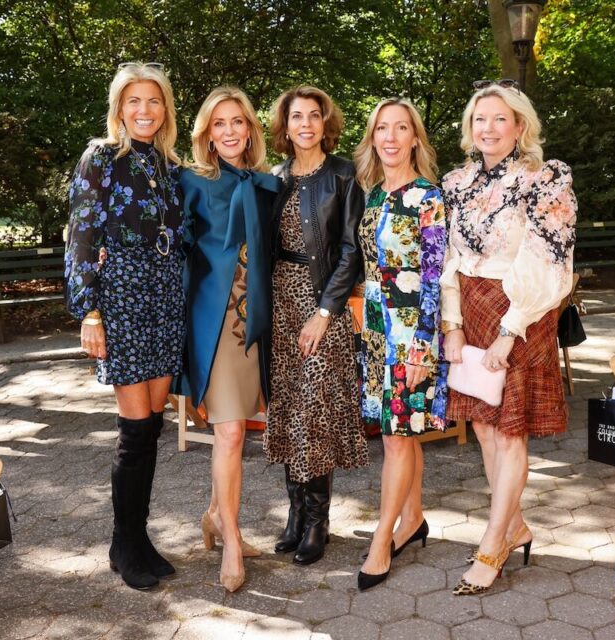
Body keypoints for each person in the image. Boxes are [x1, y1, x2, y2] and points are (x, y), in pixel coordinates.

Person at [440, 79, 577, 596]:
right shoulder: (454, 183)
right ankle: (515, 524)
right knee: (484, 427)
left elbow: (548, 257)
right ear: (469, 129)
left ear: (520, 126)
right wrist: (452, 323)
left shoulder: (546, 177)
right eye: (480, 119)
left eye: (500, 119)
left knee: (511, 428)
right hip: (471, 308)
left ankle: (493, 543)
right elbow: (449, 259)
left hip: (522, 309)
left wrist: (508, 331)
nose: (489, 128)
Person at [65, 62, 185, 591]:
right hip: (121, 299)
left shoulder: (167, 163)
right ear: (119, 108)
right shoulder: (100, 156)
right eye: (133, 101)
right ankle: (122, 544)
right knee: (134, 433)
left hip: (164, 295)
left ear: (165, 110)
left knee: (152, 428)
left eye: (153, 101)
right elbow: (82, 234)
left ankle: (137, 538)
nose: (144, 110)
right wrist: (90, 311)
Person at [172, 86, 279, 593]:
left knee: (238, 430)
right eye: (220, 124)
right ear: (206, 134)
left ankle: (216, 514)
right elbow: (170, 247)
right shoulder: (190, 181)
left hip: (256, 324)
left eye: (238, 122)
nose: (231, 131)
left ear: (251, 129)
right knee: (231, 433)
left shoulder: (266, 183)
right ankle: (233, 539)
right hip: (212, 324)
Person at [265, 85, 368, 566]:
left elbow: (351, 249)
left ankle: (318, 521)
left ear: (326, 123)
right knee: (289, 406)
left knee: (315, 408)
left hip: (322, 303)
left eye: (314, 116)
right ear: (284, 126)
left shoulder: (344, 174)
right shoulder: (275, 178)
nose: (305, 124)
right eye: (296, 116)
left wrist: (325, 311)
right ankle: (294, 512)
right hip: (280, 300)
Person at [353, 98, 448, 591]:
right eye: (381, 129)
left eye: (401, 128)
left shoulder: (428, 198)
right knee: (401, 432)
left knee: (395, 438)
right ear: (373, 138)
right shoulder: (373, 196)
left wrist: (422, 347)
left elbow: (434, 278)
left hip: (411, 333)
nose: (390, 137)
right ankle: (413, 519)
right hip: (376, 330)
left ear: (415, 138)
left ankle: (381, 540)